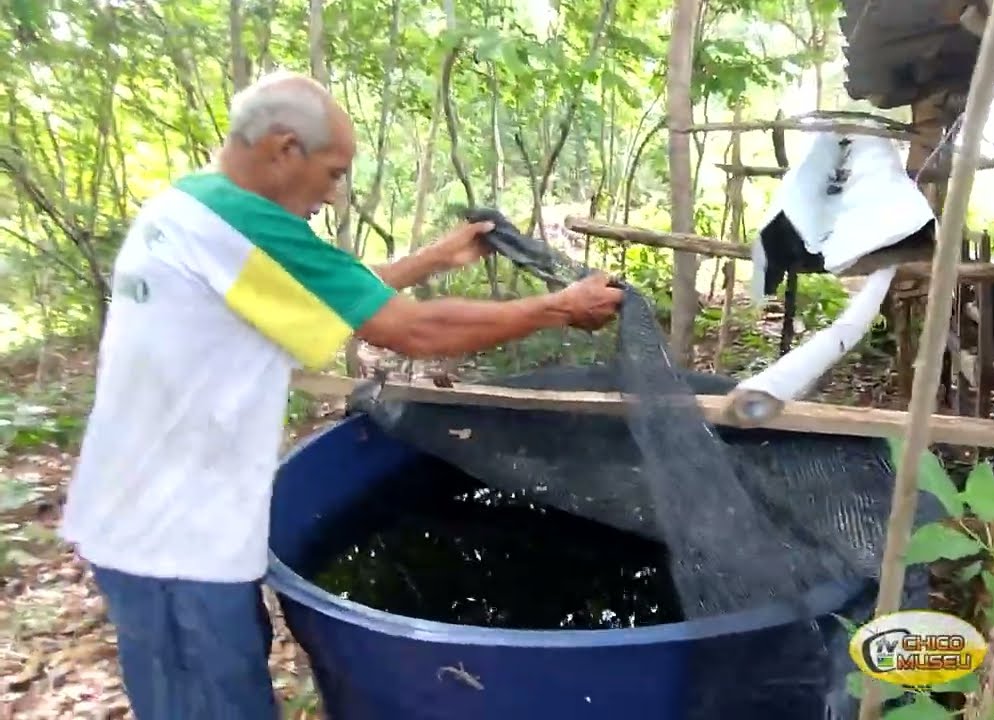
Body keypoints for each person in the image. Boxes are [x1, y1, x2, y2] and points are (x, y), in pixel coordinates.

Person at [58, 70, 624, 719]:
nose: (334, 193)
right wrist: (557, 308)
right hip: (172, 540)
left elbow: (319, 284)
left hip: (150, 518)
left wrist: (434, 260)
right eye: (332, 172)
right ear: (282, 149)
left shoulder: (190, 204)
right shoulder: (242, 224)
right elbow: (412, 329)